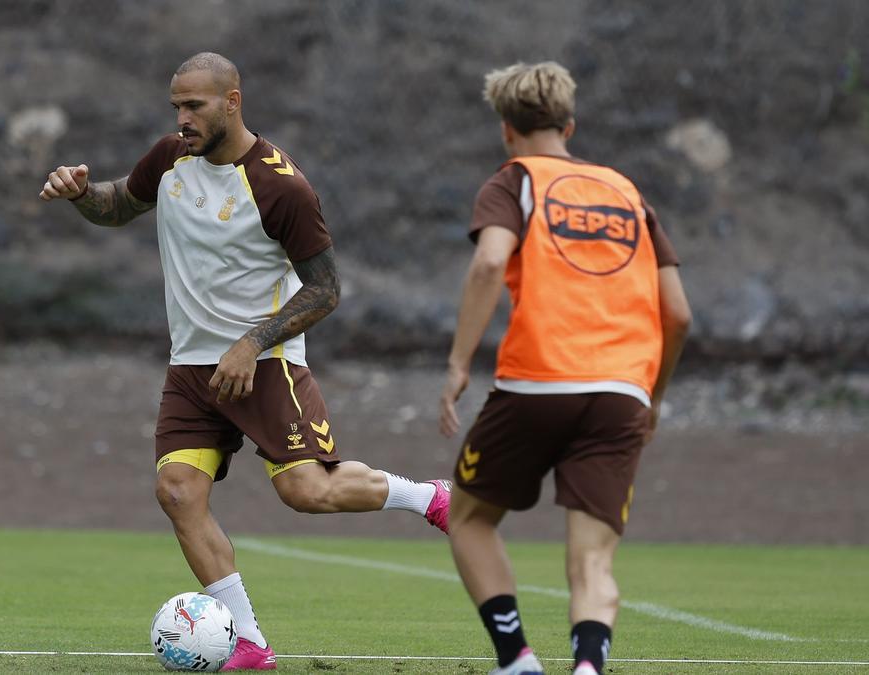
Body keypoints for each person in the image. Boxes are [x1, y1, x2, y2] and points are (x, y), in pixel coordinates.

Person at [41, 52, 450, 671]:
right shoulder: (170, 156)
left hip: (265, 363)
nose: (182, 118)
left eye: (194, 106)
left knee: (306, 492)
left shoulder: (282, 186)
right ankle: (251, 645)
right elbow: (120, 203)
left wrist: (251, 343)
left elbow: (326, 291)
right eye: (176, 106)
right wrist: (78, 195)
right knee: (177, 493)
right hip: (191, 369)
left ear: (232, 102)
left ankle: (429, 497)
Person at [438, 62, 691, 675]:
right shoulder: (627, 193)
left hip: (537, 382)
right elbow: (678, 314)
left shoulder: (514, 181)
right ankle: (587, 666)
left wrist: (458, 363)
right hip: (621, 392)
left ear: (506, 130)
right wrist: (649, 397)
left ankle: (516, 658)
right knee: (593, 561)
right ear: (570, 125)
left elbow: (488, 265)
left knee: (469, 518)